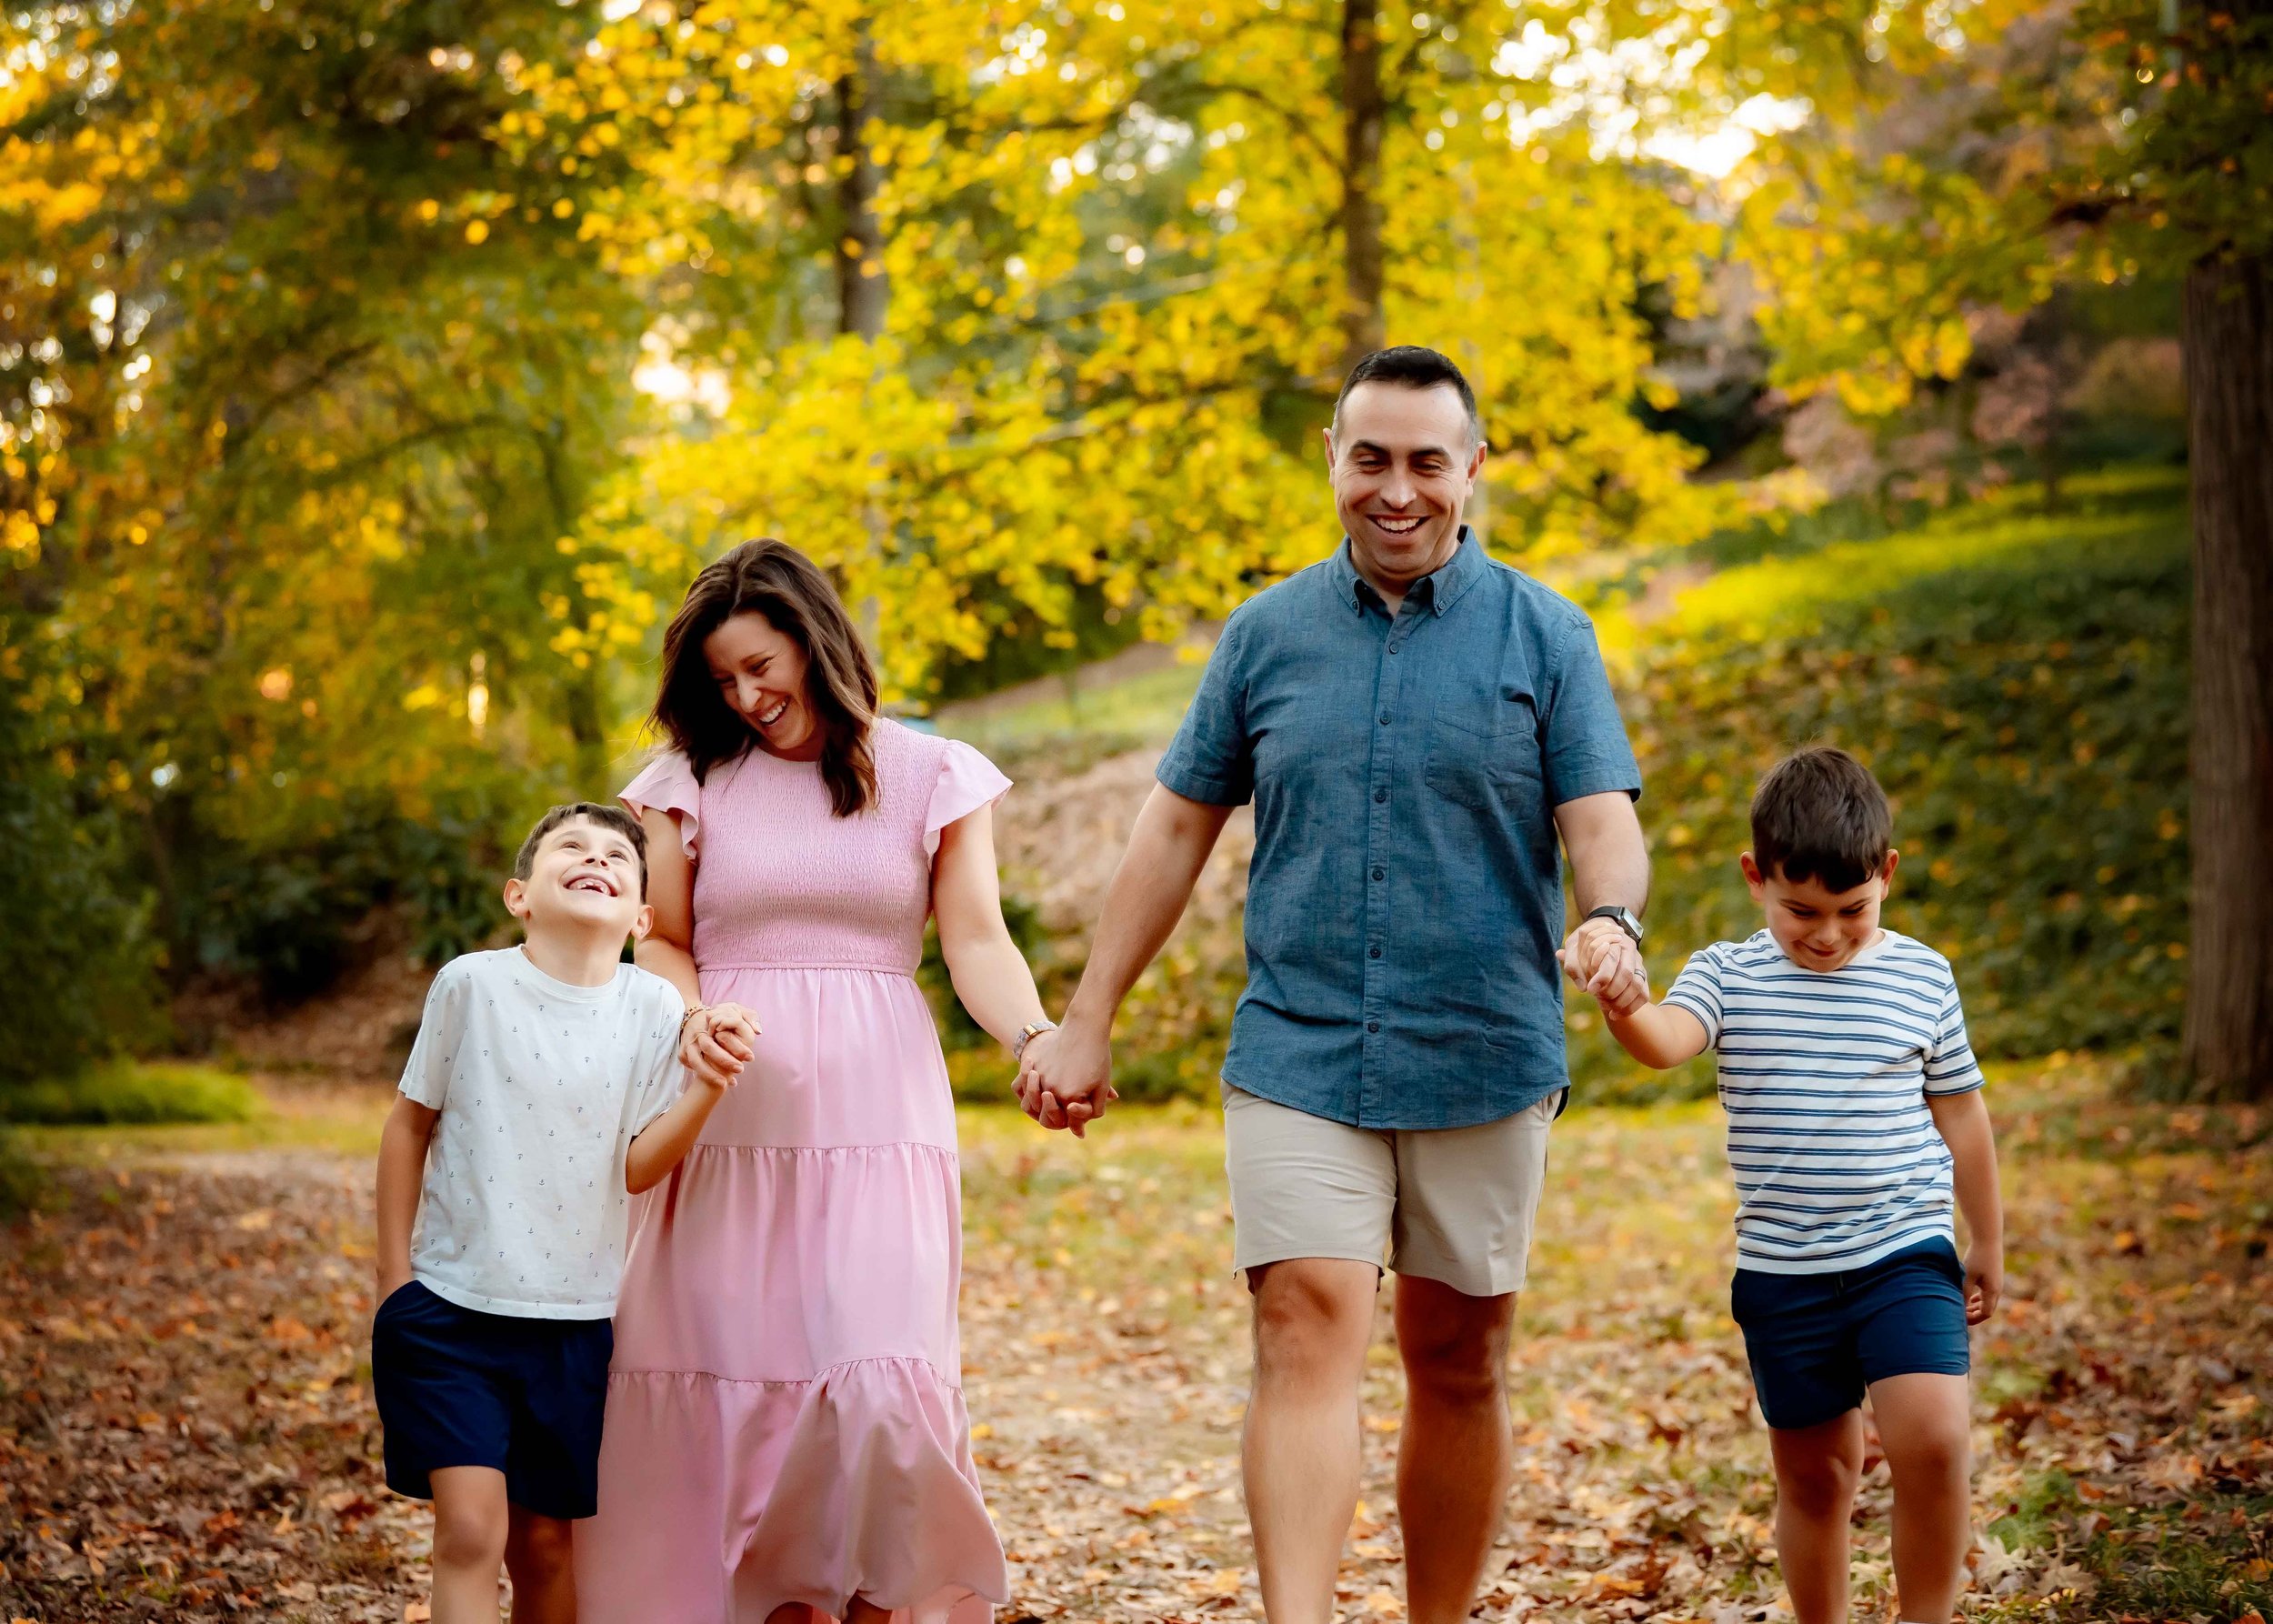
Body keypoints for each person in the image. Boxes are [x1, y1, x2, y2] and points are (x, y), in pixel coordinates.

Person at [1016, 346, 1653, 1624]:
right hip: (1301, 1046)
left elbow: (1601, 816)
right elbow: (1174, 833)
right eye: (1373, 458)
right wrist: (1085, 1018)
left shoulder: (1547, 633)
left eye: (1428, 461)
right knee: (1304, 1322)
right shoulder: (1265, 635)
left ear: (1474, 470)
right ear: (1333, 457)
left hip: (1484, 1047)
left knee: (1459, 1359)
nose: (1398, 489)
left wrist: (1614, 920)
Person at [576, 538, 1052, 1623]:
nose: (746, 697)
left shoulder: (933, 774)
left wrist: (1034, 1037)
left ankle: (887, 1602)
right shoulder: (684, 784)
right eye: (723, 680)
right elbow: (666, 941)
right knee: (728, 1381)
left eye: (761, 666)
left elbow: (976, 939)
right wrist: (691, 1022)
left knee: (880, 1384)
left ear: (815, 639)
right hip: (723, 1116)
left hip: (880, 1118)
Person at [1563, 745, 2004, 1624]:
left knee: (1936, 1440)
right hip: (1784, 1272)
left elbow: (1962, 1114)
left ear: (1886, 875)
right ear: (1754, 876)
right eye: (1801, 909)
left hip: (1903, 1252)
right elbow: (1665, 1043)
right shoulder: (1729, 975)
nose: (1829, 934)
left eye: (1854, 910)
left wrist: (1984, 1239)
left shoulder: (1922, 976)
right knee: (1817, 1475)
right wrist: (1621, 1001)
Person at [372, 803, 757, 1624]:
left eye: (619, 855)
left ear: (642, 915)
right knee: (470, 1532)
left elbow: (636, 1167)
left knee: (544, 1546)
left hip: (573, 1325)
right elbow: (410, 1124)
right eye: (571, 849)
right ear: (520, 894)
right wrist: (393, 1281)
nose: (597, 859)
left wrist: (707, 1091)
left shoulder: (653, 1007)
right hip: (447, 1314)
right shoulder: (470, 985)